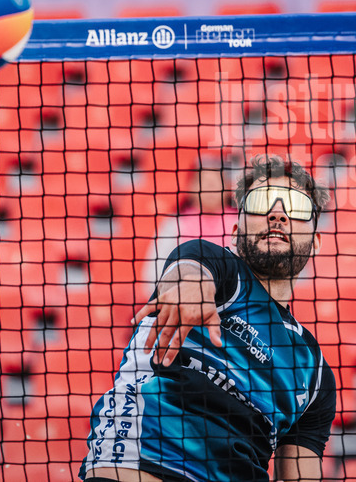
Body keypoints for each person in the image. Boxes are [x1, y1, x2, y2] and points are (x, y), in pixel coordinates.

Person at [80, 154, 337, 482]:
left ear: (315, 243)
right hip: (146, 462)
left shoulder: (314, 371)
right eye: (259, 202)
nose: (278, 214)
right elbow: (189, 271)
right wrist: (189, 290)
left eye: (296, 206)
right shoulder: (215, 265)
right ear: (234, 231)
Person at [142, 154, 239, 286]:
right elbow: (154, 274)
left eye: (216, 182)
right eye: (203, 182)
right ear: (191, 188)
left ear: (227, 188)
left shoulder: (240, 223)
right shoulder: (175, 225)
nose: (210, 188)